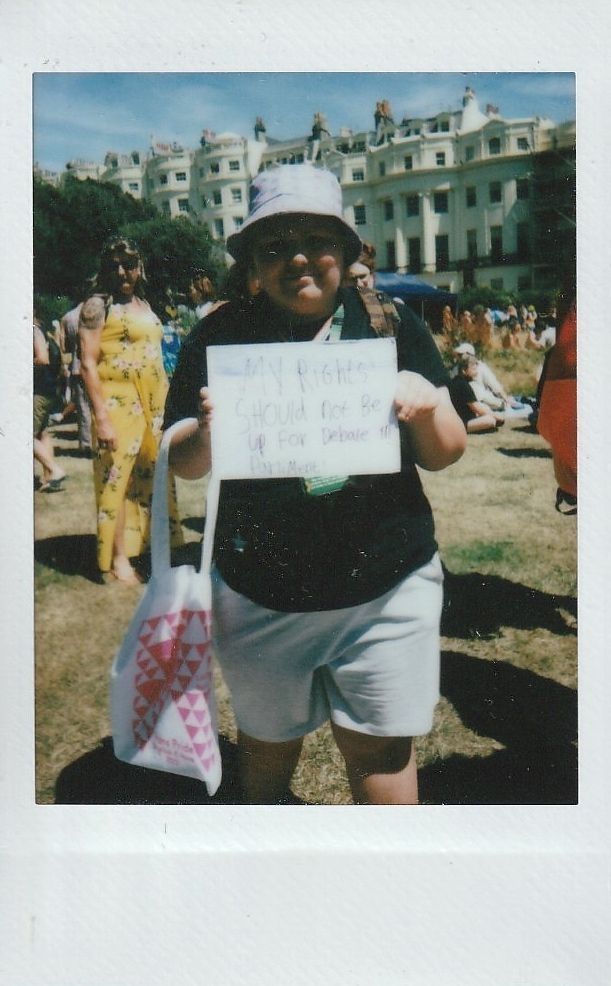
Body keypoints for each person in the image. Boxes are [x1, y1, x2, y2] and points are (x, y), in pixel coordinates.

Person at [164, 164, 466, 805]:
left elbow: (445, 455)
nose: (298, 258)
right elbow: (182, 462)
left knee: (382, 751)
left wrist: (428, 405)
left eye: (317, 241)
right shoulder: (219, 336)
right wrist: (208, 433)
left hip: (385, 587)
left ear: (346, 252)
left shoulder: (391, 323)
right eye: (274, 245)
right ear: (250, 261)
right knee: (267, 754)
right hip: (261, 594)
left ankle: (394, 898)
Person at [79, 236, 181, 584]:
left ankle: (153, 548)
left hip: (152, 403)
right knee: (117, 481)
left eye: (130, 265)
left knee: (153, 475)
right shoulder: (96, 305)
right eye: (114, 266)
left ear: (140, 267)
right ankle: (120, 558)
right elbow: (87, 364)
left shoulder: (144, 303)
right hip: (117, 401)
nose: (123, 272)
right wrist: (102, 419)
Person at [33, 310, 67, 492]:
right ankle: (49, 478)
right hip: (48, 390)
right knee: (43, 433)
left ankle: (54, 470)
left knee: (26, 436)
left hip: (38, 391)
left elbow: (42, 359)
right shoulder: (43, 331)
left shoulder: (31, 329)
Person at [60, 300, 93, 454]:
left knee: (83, 407)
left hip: (77, 366)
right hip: (95, 365)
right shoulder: (98, 313)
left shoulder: (68, 317)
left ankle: (86, 444)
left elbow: (64, 346)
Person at [448, 356, 504, 432]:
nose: (476, 372)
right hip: (461, 423)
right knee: (490, 421)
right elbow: (476, 407)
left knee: (487, 411)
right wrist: (496, 416)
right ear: (464, 370)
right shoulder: (463, 385)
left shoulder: (458, 381)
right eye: (474, 369)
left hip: (461, 418)